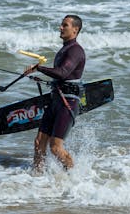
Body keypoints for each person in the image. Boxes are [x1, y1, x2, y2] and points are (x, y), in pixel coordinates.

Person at [24, 15, 85, 172]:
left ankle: (73, 176)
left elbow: (63, 73)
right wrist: (40, 76)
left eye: (65, 25)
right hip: (55, 100)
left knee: (55, 148)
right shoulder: (64, 49)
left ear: (75, 29)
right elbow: (60, 77)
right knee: (39, 143)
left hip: (68, 103)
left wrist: (39, 68)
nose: (60, 27)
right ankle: (37, 177)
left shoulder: (76, 50)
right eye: (61, 24)